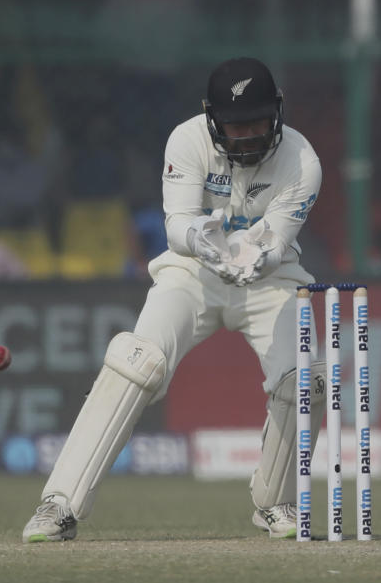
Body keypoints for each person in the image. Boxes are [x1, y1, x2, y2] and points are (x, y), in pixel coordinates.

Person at [22, 57, 325, 542]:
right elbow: (177, 224)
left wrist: (254, 256)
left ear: (278, 113)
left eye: (257, 122)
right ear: (212, 118)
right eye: (235, 124)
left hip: (272, 276)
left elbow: (276, 241)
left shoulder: (303, 161)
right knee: (135, 361)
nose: (247, 135)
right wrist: (203, 243)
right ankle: (58, 505)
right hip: (192, 273)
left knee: (304, 378)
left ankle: (276, 502)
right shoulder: (187, 140)